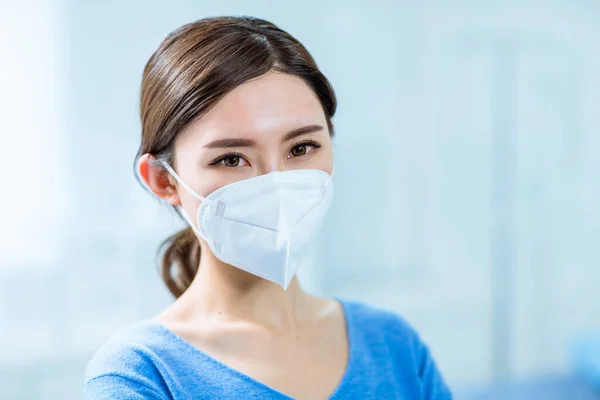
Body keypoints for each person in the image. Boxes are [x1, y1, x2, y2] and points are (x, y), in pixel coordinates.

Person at [84, 16, 452, 400]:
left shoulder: (393, 346)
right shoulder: (140, 375)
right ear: (164, 180)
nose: (276, 184)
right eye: (230, 159)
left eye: (300, 148)